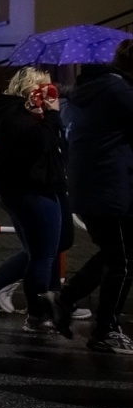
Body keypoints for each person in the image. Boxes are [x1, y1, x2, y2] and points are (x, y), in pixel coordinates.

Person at [0, 66, 76, 336]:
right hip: (31, 190)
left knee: (54, 245)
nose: (50, 94)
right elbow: (41, 143)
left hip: (46, 186)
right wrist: (51, 116)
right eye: (44, 88)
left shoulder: (27, 115)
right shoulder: (15, 115)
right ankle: (37, 314)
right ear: (31, 90)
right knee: (42, 255)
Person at [62, 38, 133, 353]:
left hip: (93, 187)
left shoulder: (94, 90)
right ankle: (105, 330)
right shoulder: (119, 92)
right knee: (124, 260)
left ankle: (61, 299)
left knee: (114, 254)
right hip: (111, 189)